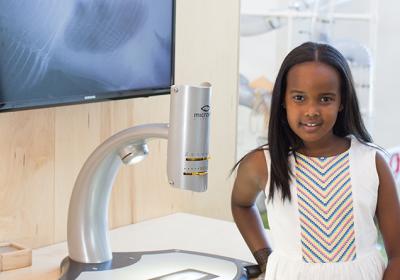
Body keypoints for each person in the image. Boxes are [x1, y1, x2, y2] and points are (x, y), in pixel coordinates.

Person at [231, 41, 400, 279]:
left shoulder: (372, 162)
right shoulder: (261, 163)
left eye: (325, 99)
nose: (311, 110)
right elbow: (241, 205)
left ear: (342, 101)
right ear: (283, 100)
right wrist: (264, 258)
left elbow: (397, 255)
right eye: (299, 98)